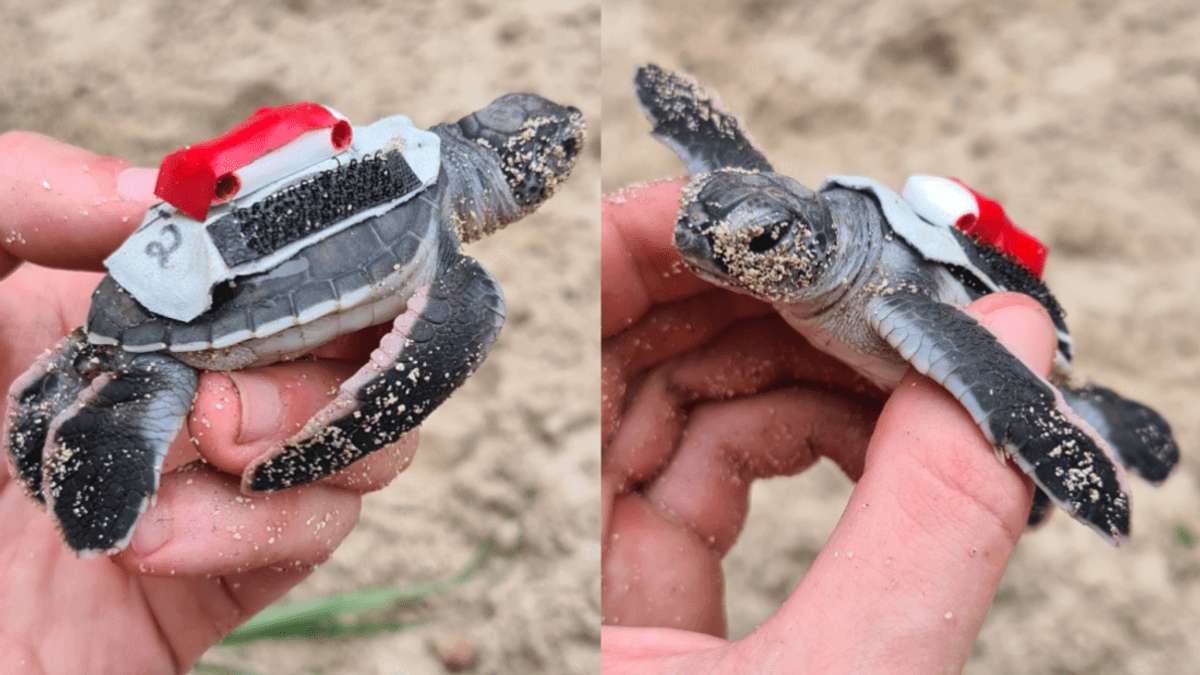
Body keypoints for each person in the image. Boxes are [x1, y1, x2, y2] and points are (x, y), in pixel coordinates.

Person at [0, 131, 417, 674]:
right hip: (198, 321)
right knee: (162, 383)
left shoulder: (393, 152)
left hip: (138, 294)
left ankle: (84, 399)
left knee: (135, 370)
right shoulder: (424, 208)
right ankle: (100, 429)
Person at [601, 179, 1057, 674]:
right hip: (853, 359)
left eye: (759, 243)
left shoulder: (886, 296)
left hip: (955, 305)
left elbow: (999, 379)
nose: (700, 247)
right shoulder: (778, 245)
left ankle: (1058, 467)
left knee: (1008, 392)